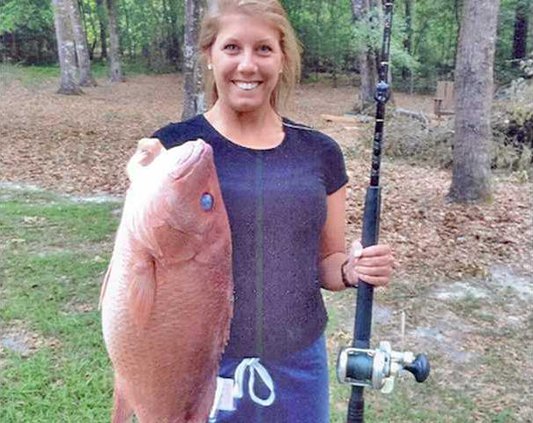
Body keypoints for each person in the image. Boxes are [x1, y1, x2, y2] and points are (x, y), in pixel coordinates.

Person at [147, 1, 394, 421]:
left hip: (300, 366)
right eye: (231, 48)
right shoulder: (173, 150)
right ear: (209, 56)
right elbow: (145, 266)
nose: (248, 65)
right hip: (200, 366)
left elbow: (327, 264)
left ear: (282, 60)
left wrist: (352, 270)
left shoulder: (320, 153)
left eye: (263, 49)